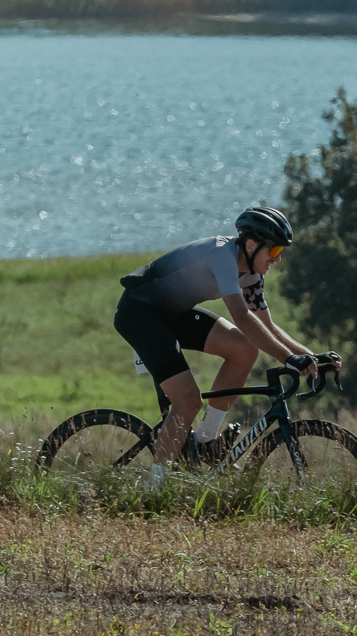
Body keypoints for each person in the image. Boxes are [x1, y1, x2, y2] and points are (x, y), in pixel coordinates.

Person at [113, 206, 338, 488]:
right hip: (139, 313)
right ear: (252, 245)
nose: (277, 258)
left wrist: (308, 356)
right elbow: (242, 317)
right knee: (188, 401)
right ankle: (153, 490)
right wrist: (288, 358)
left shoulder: (252, 274)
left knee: (244, 349)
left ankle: (204, 441)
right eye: (274, 250)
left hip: (172, 313)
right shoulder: (222, 256)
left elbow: (266, 325)